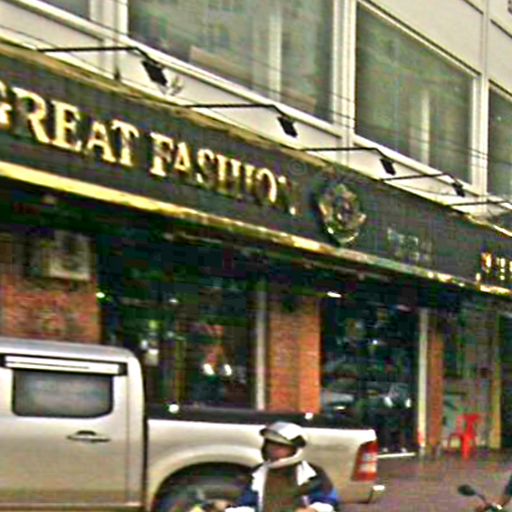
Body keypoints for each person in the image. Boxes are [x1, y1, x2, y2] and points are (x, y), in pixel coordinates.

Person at [226, 421, 341, 512]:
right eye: (271, 444)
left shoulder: (309, 472)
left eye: (281, 446)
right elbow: (248, 502)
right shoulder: (258, 473)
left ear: (293, 449)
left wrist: (312, 510)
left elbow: (328, 500)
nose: (274, 449)